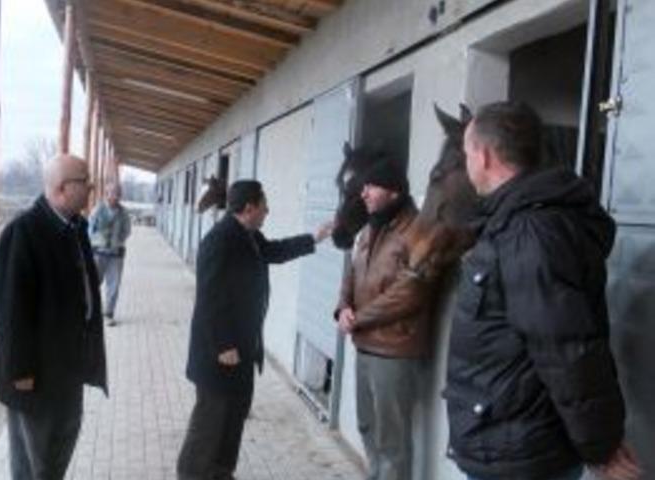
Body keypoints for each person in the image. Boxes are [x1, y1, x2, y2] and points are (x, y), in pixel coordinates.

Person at [445, 102, 642, 480]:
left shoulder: (528, 232)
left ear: (484, 156)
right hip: (509, 441)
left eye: (467, 152)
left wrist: (601, 447)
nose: (467, 163)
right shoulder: (515, 222)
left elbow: (566, 349)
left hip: (518, 456)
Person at [177, 180, 333, 480]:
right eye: (264, 205)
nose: (267, 211)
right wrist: (223, 345)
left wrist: (314, 238)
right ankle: (193, 474)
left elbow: (275, 251)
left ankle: (220, 473)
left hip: (242, 350)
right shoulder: (219, 241)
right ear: (249, 208)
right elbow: (210, 298)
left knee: (233, 418)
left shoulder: (248, 235)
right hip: (219, 355)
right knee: (211, 423)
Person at [335, 148, 453, 480]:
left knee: (393, 442)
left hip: (395, 350)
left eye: (371, 186)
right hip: (365, 345)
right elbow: (353, 273)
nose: (363, 193)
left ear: (394, 191)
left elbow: (412, 290)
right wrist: (343, 307)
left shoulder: (418, 229)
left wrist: (360, 317)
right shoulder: (370, 228)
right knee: (366, 426)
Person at [0, 154, 107, 480]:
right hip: (36, 376)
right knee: (36, 464)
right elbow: (10, 310)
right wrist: (20, 372)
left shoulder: (75, 227)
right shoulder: (24, 232)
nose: (91, 187)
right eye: (85, 181)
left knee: (57, 454)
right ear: (60, 189)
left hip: (67, 369)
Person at [89, 182, 132, 326]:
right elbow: (90, 229)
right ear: (106, 194)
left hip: (116, 254)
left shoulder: (123, 213)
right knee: (93, 283)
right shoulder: (97, 210)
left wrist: (118, 240)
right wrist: (97, 240)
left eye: (118, 193)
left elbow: (127, 230)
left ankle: (108, 313)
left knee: (113, 285)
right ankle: (92, 312)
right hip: (99, 253)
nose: (115, 196)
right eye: (112, 192)